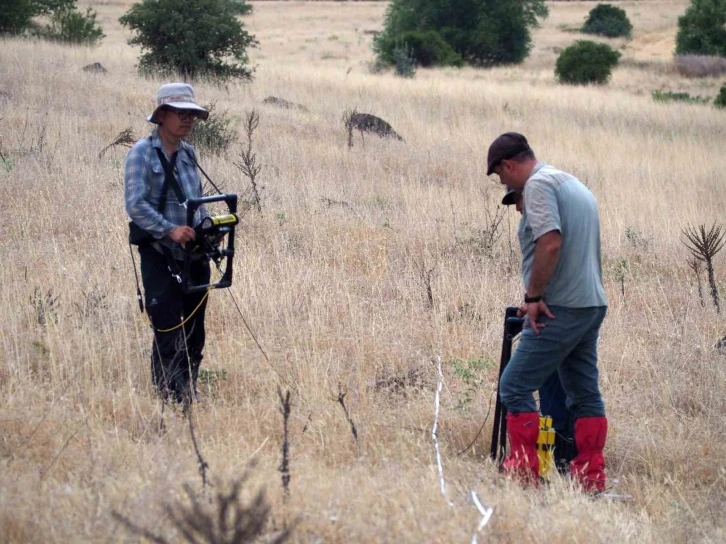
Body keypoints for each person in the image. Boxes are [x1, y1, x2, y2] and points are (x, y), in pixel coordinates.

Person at [488, 133, 608, 492]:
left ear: (509, 165)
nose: (503, 184)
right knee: (584, 393)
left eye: (499, 175)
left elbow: (550, 242)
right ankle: (589, 478)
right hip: (591, 303)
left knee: (514, 385)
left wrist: (534, 295)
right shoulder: (570, 182)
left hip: (563, 308)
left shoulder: (537, 185)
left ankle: (524, 476)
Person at [125, 83, 211, 404]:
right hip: (159, 253)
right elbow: (135, 205)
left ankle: (187, 392)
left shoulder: (189, 153)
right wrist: (170, 229)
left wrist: (207, 227)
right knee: (167, 326)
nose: (188, 120)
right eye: (181, 113)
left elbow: (196, 201)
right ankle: (167, 397)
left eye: (192, 114)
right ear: (161, 115)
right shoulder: (140, 155)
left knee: (194, 330)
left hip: (193, 255)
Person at [502, 187, 577, 474]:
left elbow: (556, 272)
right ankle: (559, 456)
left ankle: (544, 461)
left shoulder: (551, 232)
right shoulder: (542, 227)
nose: (518, 208)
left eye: (519, 200)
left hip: (558, 317)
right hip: (558, 313)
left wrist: (535, 302)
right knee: (563, 386)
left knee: (522, 385)